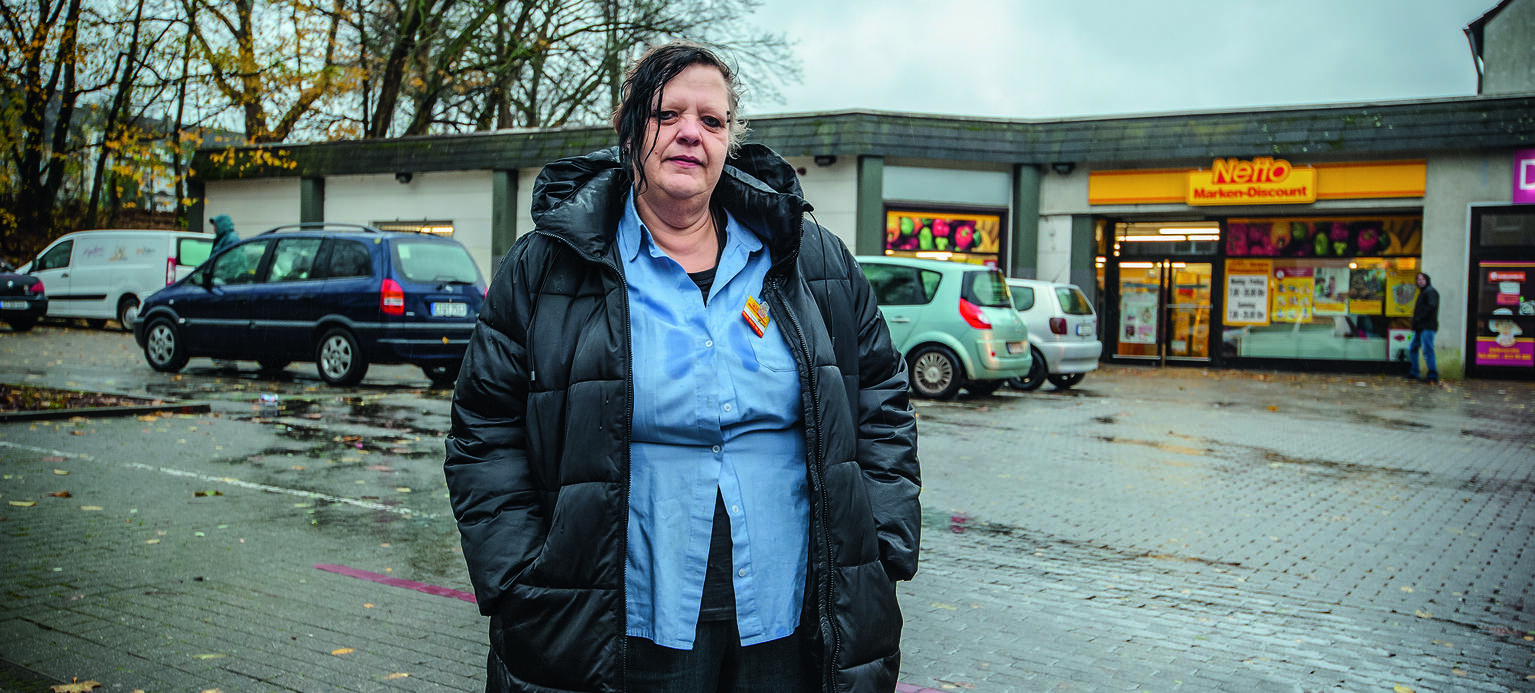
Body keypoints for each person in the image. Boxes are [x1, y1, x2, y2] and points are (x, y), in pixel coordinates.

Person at [443, 41, 921, 693]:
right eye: (667, 115)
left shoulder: (813, 260)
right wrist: (521, 573)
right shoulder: (546, 266)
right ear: (629, 128)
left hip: (796, 613)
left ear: (729, 141)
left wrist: (883, 542)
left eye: (712, 120)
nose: (690, 133)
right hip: (616, 613)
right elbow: (483, 426)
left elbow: (883, 403)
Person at [1407, 271, 1439, 383]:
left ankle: (1433, 375)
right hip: (1421, 327)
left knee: (1427, 350)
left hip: (1427, 327)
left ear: (1427, 280)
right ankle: (1415, 372)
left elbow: (1431, 307)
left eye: (1422, 279)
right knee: (1413, 348)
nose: (1420, 282)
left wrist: (1419, 318)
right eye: (1418, 280)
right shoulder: (1424, 292)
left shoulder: (1430, 292)